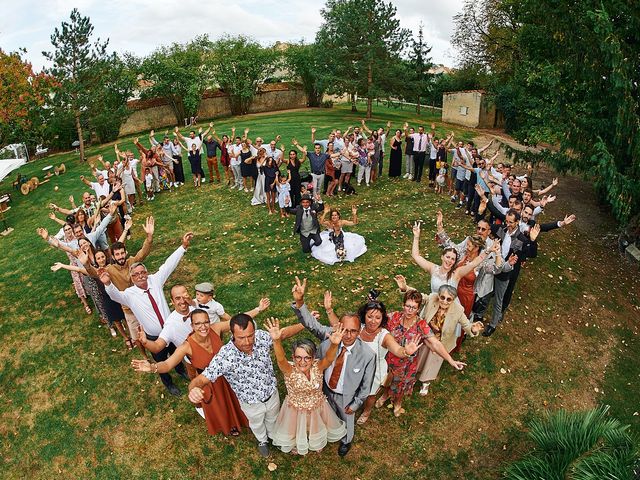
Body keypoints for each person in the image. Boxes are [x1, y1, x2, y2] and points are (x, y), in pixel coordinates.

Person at [187, 314, 304, 457]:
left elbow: (283, 334)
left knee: (273, 419)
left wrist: (304, 324)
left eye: (250, 336)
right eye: (241, 338)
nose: (248, 342)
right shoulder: (225, 356)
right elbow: (201, 379)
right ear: (232, 334)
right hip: (250, 404)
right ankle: (262, 440)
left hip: (272, 395)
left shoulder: (261, 337)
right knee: (256, 424)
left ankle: (275, 438)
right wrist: (193, 389)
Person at [291, 277, 376, 457]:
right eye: (345, 330)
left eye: (353, 331)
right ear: (339, 327)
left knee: (347, 420)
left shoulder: (368, 355)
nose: (348, 335)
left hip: (346, 397)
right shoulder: (331, 336)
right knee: (325, 416)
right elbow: (310, 323)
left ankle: (346, 441)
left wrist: (355, 404)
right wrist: (300, 302)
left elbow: (366, 386)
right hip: (324, 390)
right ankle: (327, 433)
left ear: (359, 331)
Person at [100, 232, 194, 396]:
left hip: (170, 330)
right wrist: (108, 284)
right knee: (160, 360)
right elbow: (115, 296)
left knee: (176, 352)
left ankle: (180, 370)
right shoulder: (129, 294)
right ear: (132, 277)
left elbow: (168, 265)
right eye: (135, 275)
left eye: (142, 273)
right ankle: (169, 384)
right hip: (153, 337)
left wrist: (183, 247)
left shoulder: (155, 280)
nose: (140, 276)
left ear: (147, 272)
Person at [132, 309, 249, 436]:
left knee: (235, 398)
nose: (203, 327)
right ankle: (229, 424)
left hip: (227, 375)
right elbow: (167, 364)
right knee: (220, 405)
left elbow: (239, 321)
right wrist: (153, 367)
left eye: (206, 322)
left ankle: (242, 417)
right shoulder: (186, 346)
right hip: (208, 382)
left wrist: (258, 309)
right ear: (192, 326)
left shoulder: (216, 328)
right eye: (198, 324)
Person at [322, 292, 421, 425]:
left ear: (382, 319)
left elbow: (397, 349)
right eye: (370, 316)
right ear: (364, 316)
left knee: (370, 394)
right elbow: (338, 327)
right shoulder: (358, 327)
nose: (373, 321)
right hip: (354, 366)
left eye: (378, 318)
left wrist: (406, 351)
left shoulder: (384, 336)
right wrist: (329, 310)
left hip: (373, 371)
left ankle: (366, 411)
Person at [374, 290, 467, 415]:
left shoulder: (420, 325)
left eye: (413, 307)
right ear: (403, 306)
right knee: (388, 381)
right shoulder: (393, 317)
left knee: (402, 386)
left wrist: (451, 360)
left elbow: (435, 343)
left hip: (408, 365)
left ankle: (397, 403)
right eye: (407, 306)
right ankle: (385, 396)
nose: (409, 310)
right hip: (390, 360)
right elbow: (376, 320)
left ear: (418, 309)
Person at [268, 318, 348, 455]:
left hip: (318, 407)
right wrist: (276, 341)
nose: (302, 362)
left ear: (313, 357)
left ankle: (316, 440)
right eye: (298, 357)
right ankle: (296, 443)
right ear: (293, 357)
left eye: (307, 357)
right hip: (295, 410)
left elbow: (329, 358)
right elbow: (281, 360)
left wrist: (334, 344)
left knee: (315, 426)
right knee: (296, 428)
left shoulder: (318, 367)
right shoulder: (289, 370)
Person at [82, 217, 154, 349]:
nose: (120, 256)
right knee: (136, 338)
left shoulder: (132, 261)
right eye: (117, 255)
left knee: (152, 331)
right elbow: (95, 273)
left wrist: (149, 237)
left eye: (122, 253)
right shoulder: (109, 269)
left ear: (126, 253)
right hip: (128, 310)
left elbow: (143, 252)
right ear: (113, 257)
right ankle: (144, 355)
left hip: (143, 303)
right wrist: (87, 264)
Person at [411, 220, 490, 300]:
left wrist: (488, 252)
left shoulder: (456, 274)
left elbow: (473, 263)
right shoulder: (433, 269)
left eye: (453, 259)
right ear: (442, 257)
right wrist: (416, 237)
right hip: (433, 305)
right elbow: (416, 256)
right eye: (448, 257)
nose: (449, 261)